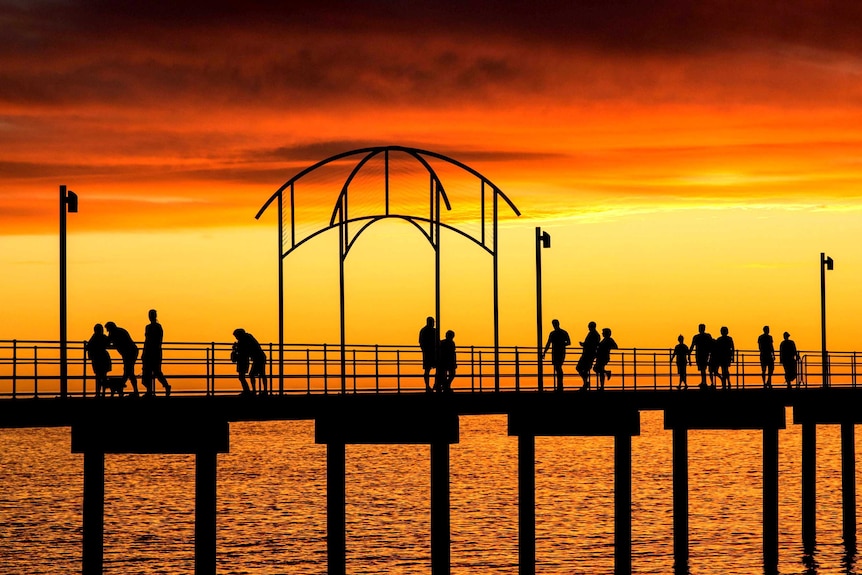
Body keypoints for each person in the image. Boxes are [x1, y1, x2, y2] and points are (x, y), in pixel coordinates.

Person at [105, 321, 139, 397]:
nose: (108, 331)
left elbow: (107, 341)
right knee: (129, 371)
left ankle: (120, 386)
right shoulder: (119, 331)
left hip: (129, 353)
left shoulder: (115, 333)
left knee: (128, 371)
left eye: (108, 329)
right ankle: (132, 390)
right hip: (130, 352)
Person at [142, 309, 171, 397]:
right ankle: (150, 390)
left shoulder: (156, 327)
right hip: (151, 351)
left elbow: (156, 341)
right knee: (149, 372)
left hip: (154, 352)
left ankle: (163, 386)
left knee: (155, 371)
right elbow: (147, 341)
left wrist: (148, 351)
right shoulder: (150, 327)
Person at [232, 328, 267, 396]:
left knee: (256, 374)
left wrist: (236, 348)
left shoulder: (245, 339)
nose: (236, 338)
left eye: (236, 336)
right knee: (261, 374)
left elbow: (244, 349)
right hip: (259, 357)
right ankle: (262, 391)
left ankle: (255, 391)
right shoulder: (247, 337)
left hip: (258, 358)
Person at [542, 319, 571, 392]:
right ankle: (559, 385)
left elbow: (569, 342)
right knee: (557, 368)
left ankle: (560, 386)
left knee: (558, 367)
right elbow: (548, 343)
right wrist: (544, 352)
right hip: (557, 352)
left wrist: (544, 352)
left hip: (558, 352)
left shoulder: (555, 333)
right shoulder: (560, 333)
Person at [87, 323, 113, 397]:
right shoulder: (103, 337)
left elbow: (88, 346)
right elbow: (108, 343)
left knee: (98, 377)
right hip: (103, 357)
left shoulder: (94, 337)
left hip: (97, 358)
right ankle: (103, 393)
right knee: (103, 376)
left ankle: (98, 393)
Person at [576, 321, 600, 390]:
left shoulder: (594, 334)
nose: (589, 328)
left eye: (589, 326)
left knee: (580, 368)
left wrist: (583, 344)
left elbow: (592, 345)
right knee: (584, 369)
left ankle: (586, 383)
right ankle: (585, 383)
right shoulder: (595, 334)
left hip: (588, 355)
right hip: (588, 354)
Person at [689, 324, 713, 390]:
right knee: (703, 369)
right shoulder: (707, 336)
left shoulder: (696, 337)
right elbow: (712, 344)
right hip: (704, 354)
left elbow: (692, 346)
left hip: (700, 355)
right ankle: (704, 382)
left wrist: (689, 353)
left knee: (702, 369)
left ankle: (704, 382)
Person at [418, 317, 437, 393]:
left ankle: (429, 385)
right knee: (430, 369)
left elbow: (420, 342)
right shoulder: (430, 330)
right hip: (431, 352)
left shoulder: (424, 330)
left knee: (428, 370)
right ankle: (430, 385)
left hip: (429, 352)